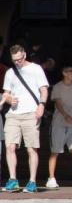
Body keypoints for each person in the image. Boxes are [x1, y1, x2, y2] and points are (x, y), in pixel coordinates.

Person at [2, 44, 49, 193]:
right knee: (10, 146)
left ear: (25, 55)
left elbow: (43, 89)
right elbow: (6, 92)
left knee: (31, 148)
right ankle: (13, 179)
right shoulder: (10, 72)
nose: (18, 62)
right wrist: (9, 100)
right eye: (14, 60)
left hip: (31, 113)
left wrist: (41, 105)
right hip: (14, 114)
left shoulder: (36, 69)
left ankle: (32, 181)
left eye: (20, 59)